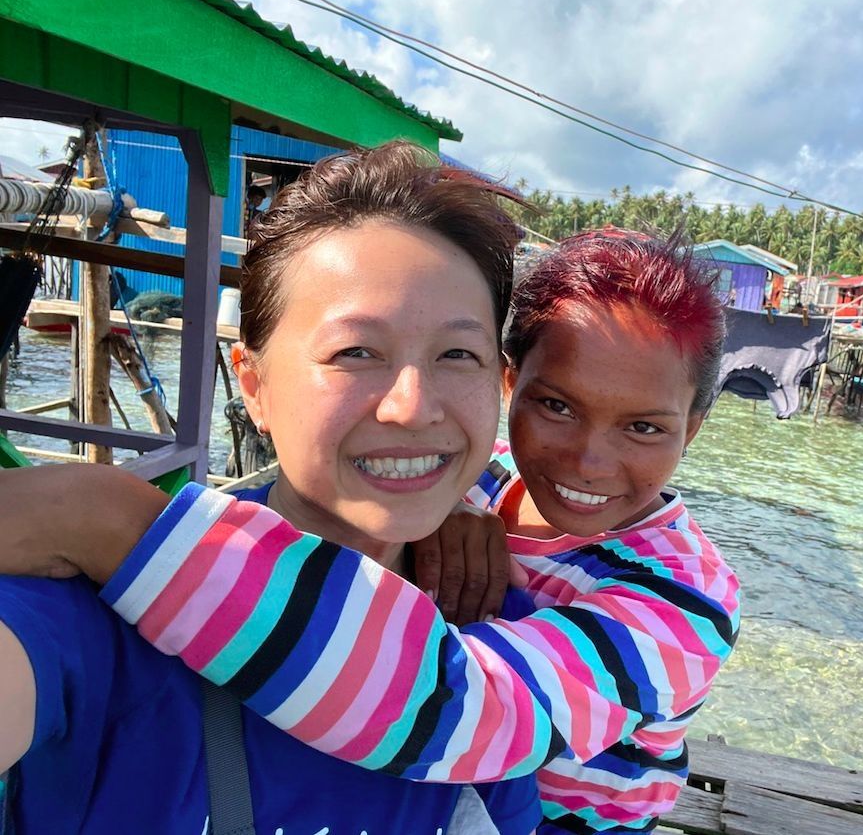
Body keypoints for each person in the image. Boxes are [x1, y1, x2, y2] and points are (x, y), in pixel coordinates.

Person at [0, 229, 740, 832]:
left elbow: (461, 707)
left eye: (644, 427)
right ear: (511, 387)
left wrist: (111, 520)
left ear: (695, 428)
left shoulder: (682, 596)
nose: (590, 457)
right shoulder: (491, 485)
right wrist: (443, 499)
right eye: (556, 406)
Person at [0, 141, 542, 834]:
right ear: (253, 384)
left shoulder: (500, 635)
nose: (413, 406)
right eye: (355, 351)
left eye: (457, 354)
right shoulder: (104, 613)